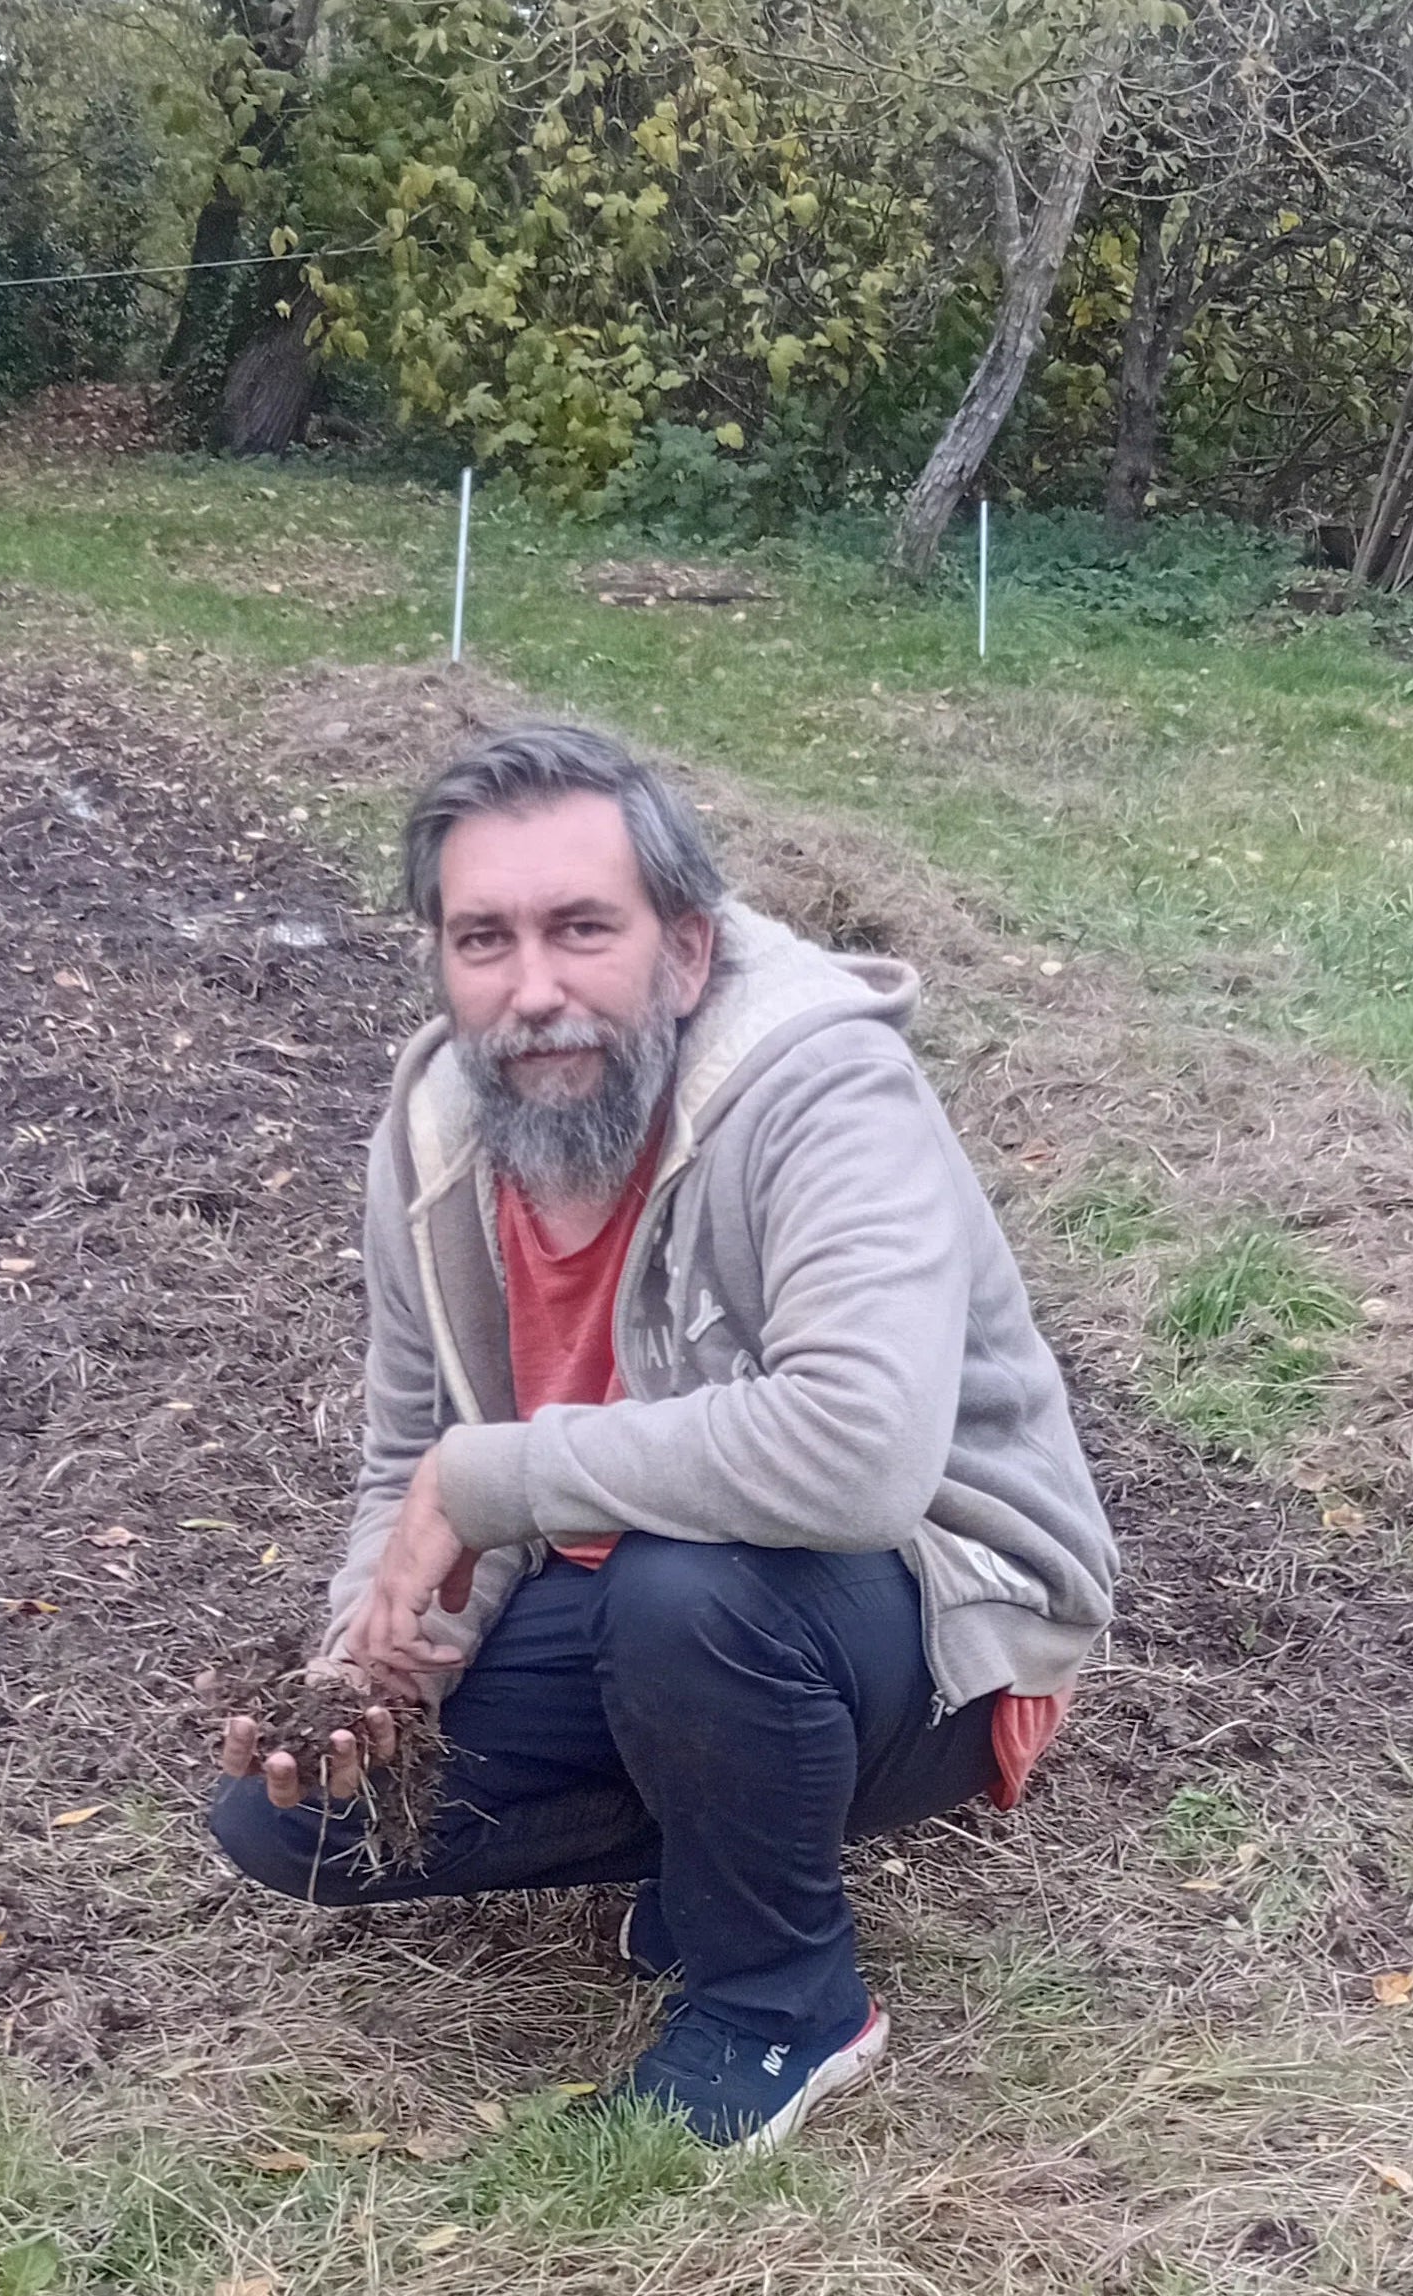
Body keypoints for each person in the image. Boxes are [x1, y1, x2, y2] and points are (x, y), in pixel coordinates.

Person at [213, 726, 1116, 2150]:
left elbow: (861, 1453)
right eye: (484, 940)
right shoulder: (438, 1131)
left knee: (684, 1591)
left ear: (686, 949)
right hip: (654, 1614)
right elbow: (413, 1457)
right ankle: (722, 1841)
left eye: (583, 929)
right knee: (302, 1819)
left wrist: (491, 1478)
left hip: (936, 1620)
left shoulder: (822, 1089)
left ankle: (783, 2000)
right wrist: (370, 1668)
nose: (534, 989)